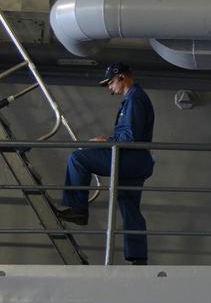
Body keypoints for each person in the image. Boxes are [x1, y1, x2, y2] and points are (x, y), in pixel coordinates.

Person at [57, 61, 155, 264]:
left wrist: (105, 141)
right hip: (137, 160)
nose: (110, 89)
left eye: (110, 83)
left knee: (78, 158)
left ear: (121, 77)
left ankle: (78, 209)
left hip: (130, 158)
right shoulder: (133, 98)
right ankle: (138, 257)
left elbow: (130, 137)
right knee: (129, 206)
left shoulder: (135, 99)